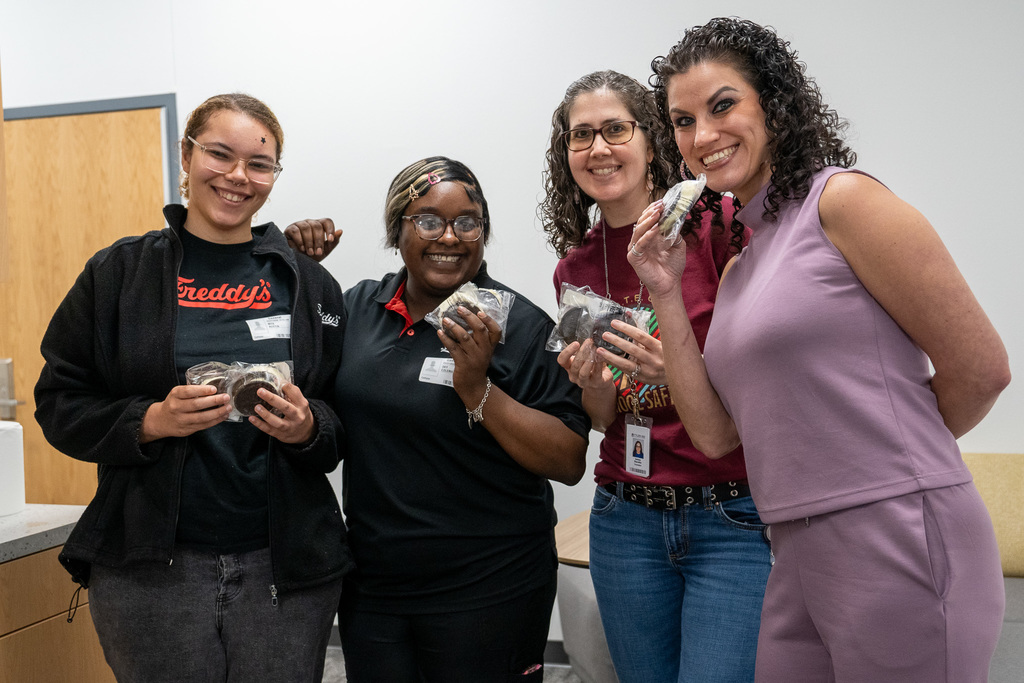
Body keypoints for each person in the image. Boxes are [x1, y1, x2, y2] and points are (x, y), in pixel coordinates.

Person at [626, 18, 1010, 682]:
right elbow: (717, 435)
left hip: (898, 534)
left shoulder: (846, 202)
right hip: (790, 546)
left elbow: (982, 368)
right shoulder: (741, 265)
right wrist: (663, 287)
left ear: (773, 103)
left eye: (723, 105)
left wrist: (887, 467)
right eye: (683, 121)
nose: (703, 135)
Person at [34, 93, 351, 682]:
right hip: (152, 570)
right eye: (219, 154)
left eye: (259, 164)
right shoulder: (119, 275)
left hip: (283, 566)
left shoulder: (309, 284)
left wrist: (310, 428)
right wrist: (149, 421)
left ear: (274, 176)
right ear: (186, 155)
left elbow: (343, 416)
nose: (237, 176)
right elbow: (58, 402)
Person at [309, 156, 590, 682]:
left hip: (491, 586)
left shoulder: (519, 325)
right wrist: (296, 264)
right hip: (375, 586)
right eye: (429, 220)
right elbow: (316, 409)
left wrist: (477, 388)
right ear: (398, 230)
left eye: (468, 222)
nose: (450, 237)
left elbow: (569, 458)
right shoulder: (358, 309)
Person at [539, 70, 770, 682]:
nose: (598, 148)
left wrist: (681, 368)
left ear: (652, 141)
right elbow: (603, 416)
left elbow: (771, 370)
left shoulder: (717, 225)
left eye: (616, 129)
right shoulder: (576, 267)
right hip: (626, 516)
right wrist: (591, 381)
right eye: (580, 135)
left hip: (731, 513)